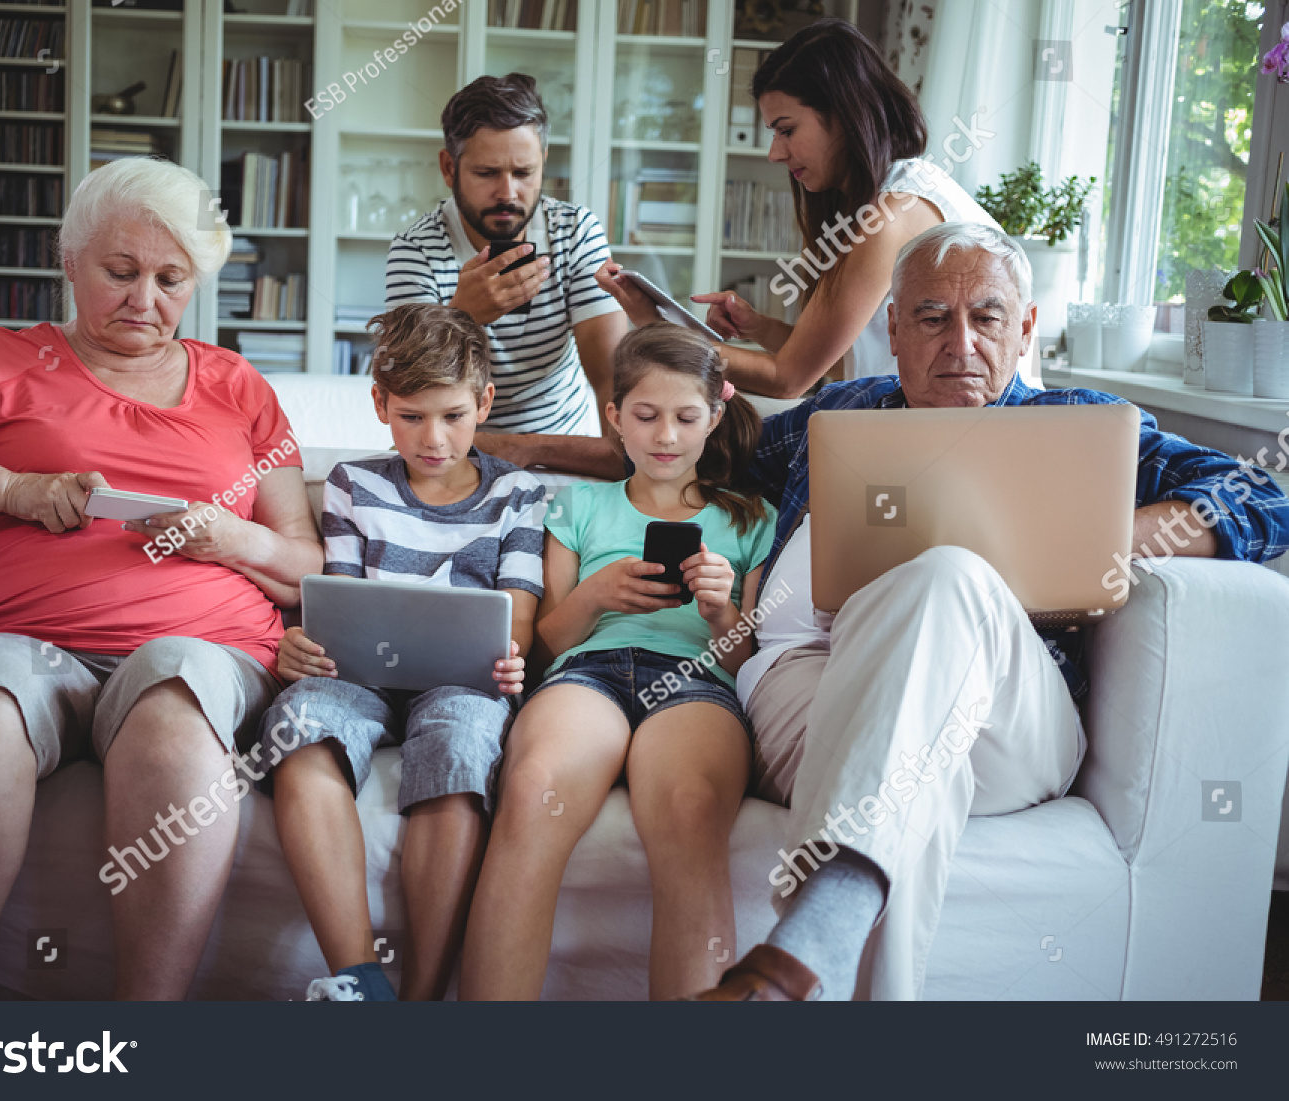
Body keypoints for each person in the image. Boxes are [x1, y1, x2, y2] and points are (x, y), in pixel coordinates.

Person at [480, 221, 1289, 1000]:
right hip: (812, 697)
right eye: (932, 318)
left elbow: (1263, 495)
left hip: (1005, 726)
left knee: (945, 575)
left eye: (986, 318)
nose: (959, 344)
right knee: (911, 776)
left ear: (1026, 327)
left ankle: (814, 938)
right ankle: (830, 960)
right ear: (894, 328)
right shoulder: (840, 416)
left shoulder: (1077, 423)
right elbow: (688, 446)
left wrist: (1118, 533)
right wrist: (517, 450)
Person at [0, 156, 324, 1001]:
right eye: (119, 272)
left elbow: (306, 566)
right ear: (69, 259)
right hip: (23, 642)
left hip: (199, 646)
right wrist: (13, 489)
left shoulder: (239, 387)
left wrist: (229, 536)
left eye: (170, 279)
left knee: (173, 704)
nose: (143, 300)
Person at [461, 323, 779, 1000]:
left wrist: (722, 612)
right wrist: (597, 595)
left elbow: (750, 658)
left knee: (692, 807)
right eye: (646, 415)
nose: (666, 435)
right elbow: (544, 646)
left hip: (699, 680)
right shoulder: (578, 505)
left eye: (686, 417)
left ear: (714, 417)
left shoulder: (752, 519)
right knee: (533, 784)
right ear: (615, 417)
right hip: (589, 673)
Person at [252, 303, 545, 1002]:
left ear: (484, 402)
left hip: (464, 680)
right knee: (298, 729)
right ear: (380, 402)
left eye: (452, 415)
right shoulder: (356, 484)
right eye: (411, 416)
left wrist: (510, 656)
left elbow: (521, 617)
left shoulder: (516, 492)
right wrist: (299, 642)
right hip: (360, 672)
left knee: (461, 744)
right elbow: (339, 602)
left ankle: (419, 999)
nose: (433, 438)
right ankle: (359, 979)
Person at [596, 17, 1023, 400]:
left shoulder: (890, 216)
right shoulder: (903, 190)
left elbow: (788, 379)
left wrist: (656, 329)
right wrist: (760, 328)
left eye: (787, 130)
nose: (774, 153)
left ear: (845, 114)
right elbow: (836, 369)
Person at [386, 73, 627, 444]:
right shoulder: (416, 251)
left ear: (543, 163)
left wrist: (622, 473)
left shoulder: (576, 233)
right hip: (459, 455)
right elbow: (405, 391)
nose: (508, 192)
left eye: (524, 172)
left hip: (565, 449)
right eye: (487, 173)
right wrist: (461, 318)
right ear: (449, 168)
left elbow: (611, 377)